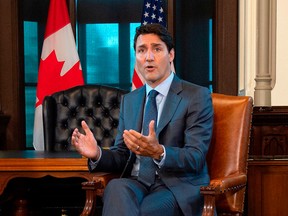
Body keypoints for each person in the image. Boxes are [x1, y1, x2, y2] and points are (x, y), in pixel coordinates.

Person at [71, 23, 214, 216]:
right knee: (115, 188)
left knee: (141, 211)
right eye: (141, 50)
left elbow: (195, 157)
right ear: (136, 58)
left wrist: (159, 152)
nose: (149, 57)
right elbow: (122, 154)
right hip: (138, 183)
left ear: (171, 55)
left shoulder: (196, 96)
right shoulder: (130, 100)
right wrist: (97, 153)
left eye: (157, 49)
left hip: (177, 187)